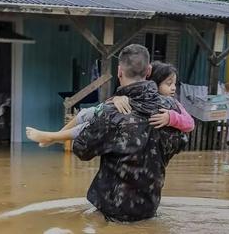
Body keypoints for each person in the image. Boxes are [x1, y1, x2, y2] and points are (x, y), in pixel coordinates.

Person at [71, 44, 188, 222]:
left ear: (119, 71)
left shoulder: (111, 113)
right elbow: (182, 141)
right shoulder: (171, 108)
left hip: (112, 210)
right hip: (150, 207)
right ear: (149, 70)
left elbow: (81, 150)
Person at [26, 61, 194, 147]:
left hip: (137, 139)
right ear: (152, 81)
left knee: (94, 123)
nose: (173, 88)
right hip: (129, 135)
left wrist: (171, 118)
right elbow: (111, 104)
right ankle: (57, 136)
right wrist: (116, 99)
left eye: (174, 84)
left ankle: (54, 137)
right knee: (89, 112)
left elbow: (190, 124)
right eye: (168, 83)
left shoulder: (172, 105)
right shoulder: (135, 94)